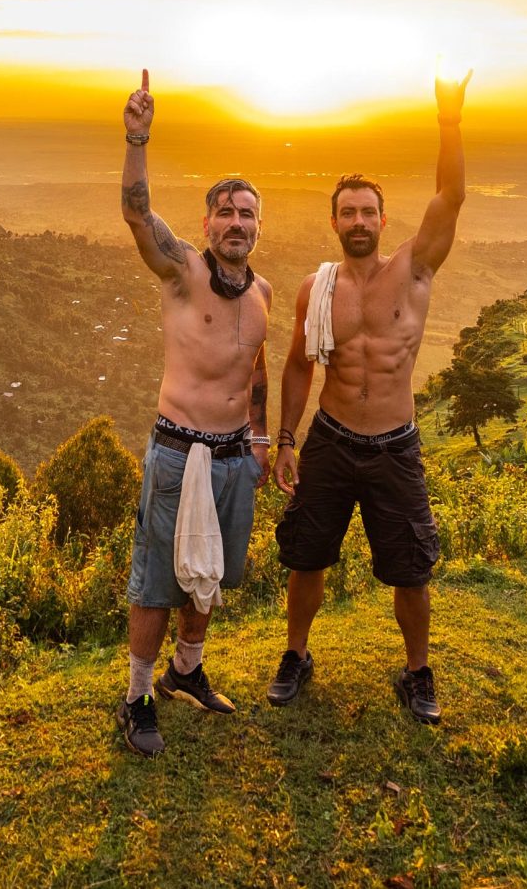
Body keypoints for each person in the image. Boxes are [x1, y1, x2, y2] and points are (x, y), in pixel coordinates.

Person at [268, 71, 467, 724]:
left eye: (368, 212)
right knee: (307, 556)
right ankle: (296, 654)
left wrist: (448, 121)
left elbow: (452, 195)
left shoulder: (413, 271)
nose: (359, 221)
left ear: (384, 221)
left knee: (411, 567)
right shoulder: (316, 290)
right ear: (335, 221)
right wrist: (288, 439)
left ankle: (417, 672)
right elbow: (299, 365)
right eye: (348, 211)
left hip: (394, 446)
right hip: (329, 440)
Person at [113, 68, 272, 757]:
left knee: (208, 573)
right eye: (226, 213)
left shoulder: (263, 290)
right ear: (207, 222)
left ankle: (187, 669)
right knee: (156, 579)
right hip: (179, 452)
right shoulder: (182, 271)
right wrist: (138, 137)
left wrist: (263, 439)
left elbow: (257, 367)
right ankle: (137, 695)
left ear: (257, 226)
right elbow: (136, 215)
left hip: (236, 455)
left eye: (247, 215)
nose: (236, 224)